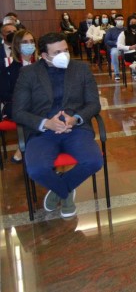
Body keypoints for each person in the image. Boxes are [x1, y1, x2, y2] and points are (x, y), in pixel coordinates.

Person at [12, 32, 103, 218]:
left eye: (66, 50)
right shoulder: (28, 73)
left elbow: (94, 104)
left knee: (94, 161)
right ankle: (66, 191)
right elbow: (18, 111)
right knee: (36, 169)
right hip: (43, 133)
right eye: (57, 52)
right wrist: (46, 123)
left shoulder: (81, 69)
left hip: (75, 129)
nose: (64, 55)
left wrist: (75, 118)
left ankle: (58, 188)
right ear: (44, 56)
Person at [1, 30, 37, 163]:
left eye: (32, 41)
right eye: (25, 42)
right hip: (15, 104)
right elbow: (3, 94)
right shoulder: (9, 66)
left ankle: (24, 148)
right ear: (17, 46)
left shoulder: (42, 65)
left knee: (41, 110)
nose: (30, 44)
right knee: (34, 112)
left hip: (38, 104)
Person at [104, 14, 125, 81]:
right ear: (115, 21)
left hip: (126, 47)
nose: (120, 20)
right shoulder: (111, 30)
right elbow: (107, 41)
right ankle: (117, 73)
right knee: (114, 53)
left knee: (134, 52)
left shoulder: (126, 29)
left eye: (122, 19)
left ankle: (134, 73)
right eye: (119, 19)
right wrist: (116, 43)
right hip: (116, 47)